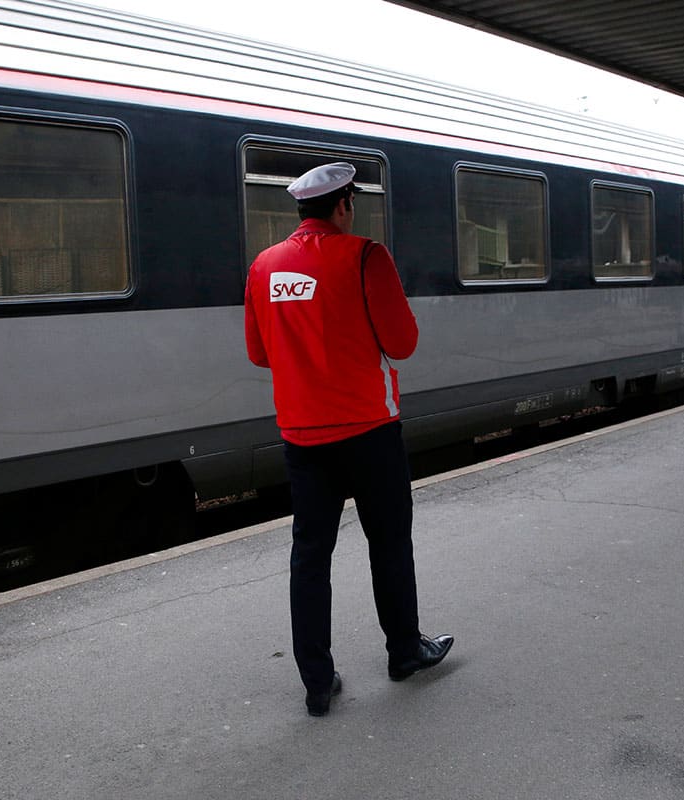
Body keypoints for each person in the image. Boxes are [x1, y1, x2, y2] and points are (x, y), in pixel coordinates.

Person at [244, 162, 453, 717]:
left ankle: (317, 682)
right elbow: (402, 343)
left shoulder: (264, 266)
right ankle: (404, 652)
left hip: (302, 435)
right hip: (369, 431)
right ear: (344, 205)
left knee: (310, 557)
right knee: (389, 543)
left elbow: (259, 353)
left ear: (301, 210)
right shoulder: (366, 256)